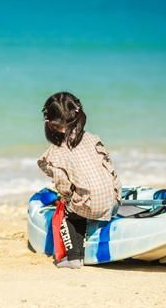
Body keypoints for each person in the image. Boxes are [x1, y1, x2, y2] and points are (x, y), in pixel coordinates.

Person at [37, 92, 121, 269]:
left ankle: (74, 257)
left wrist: (67, 197)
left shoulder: (57, 151)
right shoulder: (93, 138)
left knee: (68, 213)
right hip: (113, 199)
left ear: (51, 124)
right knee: (86, 197)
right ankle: (97, 215)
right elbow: (109, 167)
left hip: (91, 206)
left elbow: (63, 184)